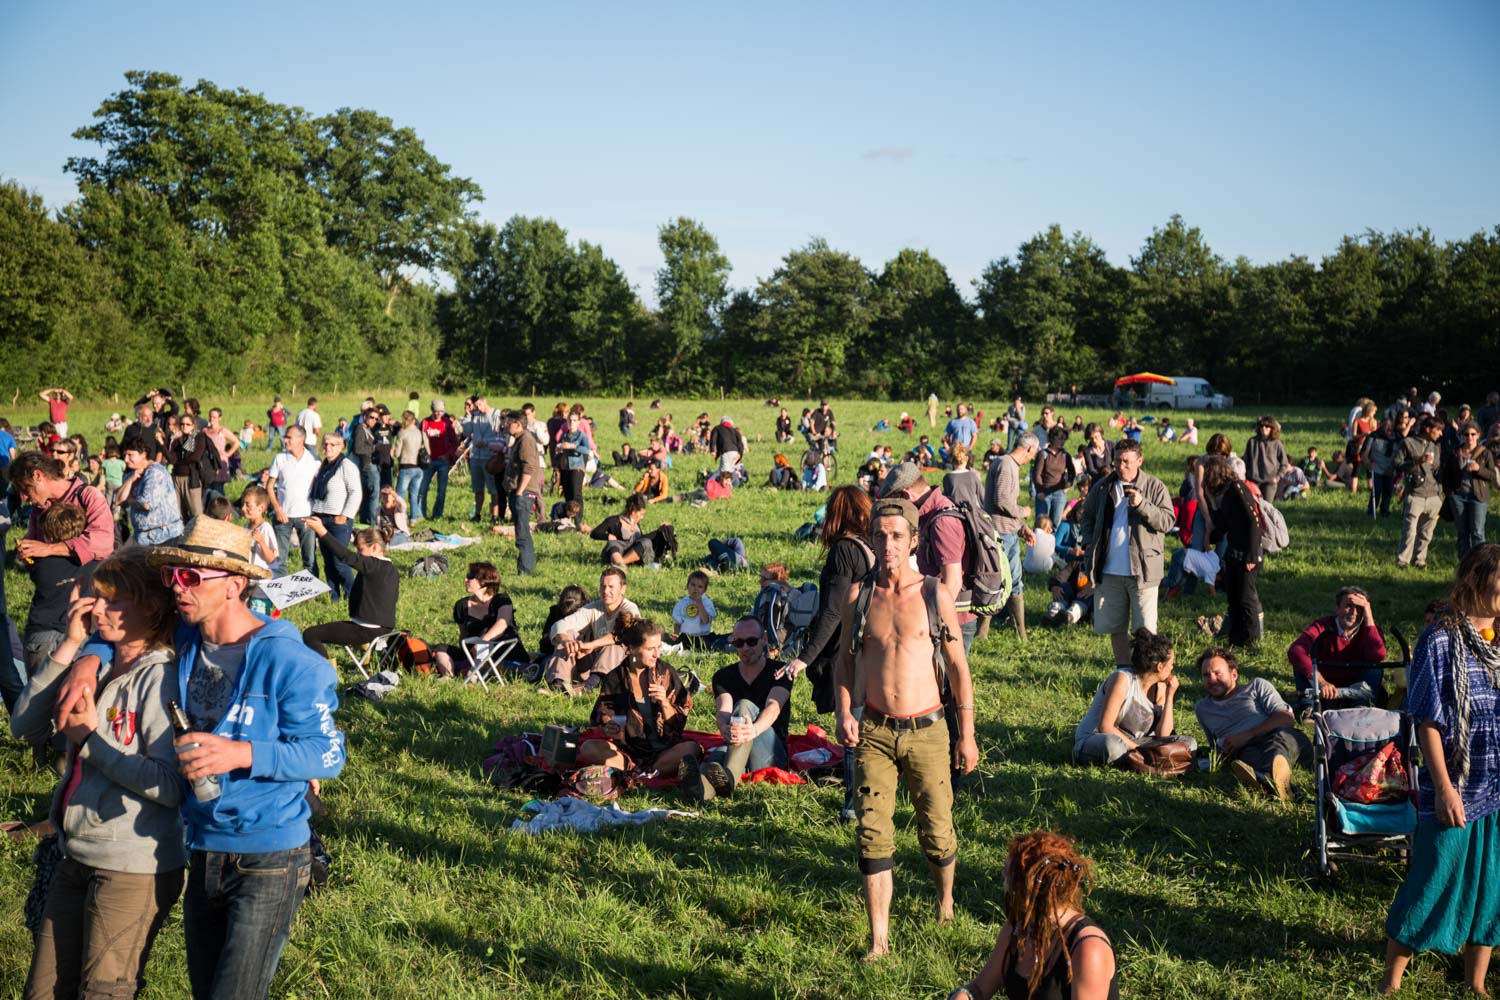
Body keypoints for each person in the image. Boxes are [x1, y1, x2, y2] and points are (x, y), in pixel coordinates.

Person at [11, 547, 186, 999]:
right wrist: (70, 647)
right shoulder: (100, 664)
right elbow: (24, 726)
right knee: (43, 989)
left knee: (104, 990)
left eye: (110, 600)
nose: (95, 610)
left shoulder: (162, 680)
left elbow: (169, 786)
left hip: (132, 864)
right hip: (76, 853)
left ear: (149, 606)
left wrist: (90, 741)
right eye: (94, 598)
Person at [836, 496, 978, 962]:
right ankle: (879, 940)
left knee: (936, 831)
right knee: (872, 833)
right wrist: (843, 710)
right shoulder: (858, 596)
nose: (888, 544)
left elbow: (958, 667)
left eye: (897, 535)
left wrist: (968, 733)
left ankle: (946, 900)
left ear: (914, 539)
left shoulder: (934, 594)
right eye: (880, 535)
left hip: (929, 729)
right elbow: (844, 660)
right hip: (874, 729)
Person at [1381, 543, 1500, 998]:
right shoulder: (1440, 639)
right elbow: (1426, 721)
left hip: (1497, 783)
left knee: (1491, 884)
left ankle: (1476, 982)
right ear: (1478, 580)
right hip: (1456, 786)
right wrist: (1445, 789)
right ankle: (1390, 983)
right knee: (1433, 878)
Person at [947, 831, 1119, 1000]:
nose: (1003, 881)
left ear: (1029, 891)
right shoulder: (1017, 929)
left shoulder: (1088, 949)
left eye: (1008, 876)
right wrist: (965, 995)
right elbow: (979, 988)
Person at [1079, 440, 1174, 668]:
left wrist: (1142, 505)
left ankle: (1148, 677)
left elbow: (1168, 521)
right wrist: (1091, 543)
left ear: (1139, 461)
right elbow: (1087, 516)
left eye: (1126, 461)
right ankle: (1124, 672)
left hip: (1143, 571)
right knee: (1115, 627)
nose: (1121, 466)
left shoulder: (1154, 486)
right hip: (1109, 570)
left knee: (1145, 633)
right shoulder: (1103, 487)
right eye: (1117, 461)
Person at [685, 616, 793, 801]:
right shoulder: (724, 675)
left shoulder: (780, 671)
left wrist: (754, 730)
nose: (745, 648)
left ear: (764, 639)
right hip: (737, 745)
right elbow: (724, 710)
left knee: (744, 706)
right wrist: (724, 728)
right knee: (715, 763)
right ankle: (701, 792)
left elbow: (774, 706)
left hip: (770, 752)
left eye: (751, 641)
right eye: (739, 643)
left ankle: (728, 777)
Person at [578, 617, 700, 776]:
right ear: (632, 649)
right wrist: (609, 728)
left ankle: (644, 772)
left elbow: (678, 723)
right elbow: (603, 716)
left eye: (658, 647)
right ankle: (645, 772)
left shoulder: (665, 673)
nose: (657, 654)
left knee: (692, 749)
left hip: (665, 749)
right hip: (628, 752)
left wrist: (664, 702)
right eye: (650, 649)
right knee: (588, 747)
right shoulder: (615, 678)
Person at [1195, 646, 1310, 801]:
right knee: (1245, 758)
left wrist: (1246, 735)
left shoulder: (1256, 687)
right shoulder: (1203, 708)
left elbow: (1286, 719)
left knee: (1278, 741)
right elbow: (1214, 746)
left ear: (1234, 674)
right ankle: (1280, 787)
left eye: (1217, 673)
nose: (1212, 680)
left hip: (1283, 738)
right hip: (1246, 750)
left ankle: (1266, 781)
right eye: (1206, 675)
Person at [1072, 629, 1194, 766]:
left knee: (1189, 744)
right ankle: (1148, 762)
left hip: (1137, 743)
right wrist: (1140, 751)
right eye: (1171, 663)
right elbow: (1105, 727)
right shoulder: (1122, 680)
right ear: (1160, 666)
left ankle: (1140, 762)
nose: (1172, 667)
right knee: (1113, 747)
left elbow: (1163, 734)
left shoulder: (1161, 687)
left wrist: (1170, 696)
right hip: (1099, 739)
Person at [1287, 586, 1387, 718]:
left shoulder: (1370, 629)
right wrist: (1321, 682)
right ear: (1337, 608)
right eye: (1348, 606)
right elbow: (1296, 650)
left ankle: (1361, 707)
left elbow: (1378, 655)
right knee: (1301, 663)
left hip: (1356, 684)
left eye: (1359, 608)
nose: (1354, 612)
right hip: (1324, 684)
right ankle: (1309, 708)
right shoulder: (1322, 626)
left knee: (1375, 668)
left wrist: (1368, 616)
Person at [543, 567, 641, 695]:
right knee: (569, 634)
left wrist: (590, 645)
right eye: (603, 586)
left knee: (615, 644)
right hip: (592, 660)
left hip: (621, 666)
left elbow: (622, 634)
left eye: (611, 587)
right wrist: (566, 640)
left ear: (623, 589)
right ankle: (559, 683)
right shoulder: (594, 608)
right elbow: (559, 625)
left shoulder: (629, 608)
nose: (606, 591)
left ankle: (590, 686)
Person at [1201, 455, 1264, 646]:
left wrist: (1252, 554)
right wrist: (1211, 502)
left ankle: (1252, 639)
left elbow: (1253, 521)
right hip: (1234, 551)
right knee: (1233, 597)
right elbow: (1221, 527)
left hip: (1248, 552)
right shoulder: (1224, 494)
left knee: (1246, 597)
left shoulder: (1237, 488)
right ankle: (1236, 637)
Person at [984, 433, 1038, 641]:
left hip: (1008, 529)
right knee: (1011, 581)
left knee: (999, 580)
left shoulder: (1006, 464)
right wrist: (1022, 512)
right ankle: (1021, 634)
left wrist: (1022, 526)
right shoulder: (1007, 465)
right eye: (1033, 453)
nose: (1032, 458)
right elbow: (1002, 501)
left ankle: (986, 631)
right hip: (1002, 533)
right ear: (1030, 449)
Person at [261, 425, 321, 578]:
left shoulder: (314, 461)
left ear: (301, 439)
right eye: (285, 437)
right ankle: (279, 591)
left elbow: (320, 488)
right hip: (283, 516)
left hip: (306, 516)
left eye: (289, 437)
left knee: (310, 558)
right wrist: (278, 509)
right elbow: (269, 487)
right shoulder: (280, 458)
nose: (284, 440)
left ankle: (311, 591)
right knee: (279, 558)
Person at [309, 432, 362, 603]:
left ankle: (353, 594)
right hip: (321, 518)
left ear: (341, 447)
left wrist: (345, 515)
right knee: (328, 561)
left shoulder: (346, 466)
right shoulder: (323, 466)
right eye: (326, 444)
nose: (328, 447)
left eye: (333, 444)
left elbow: (356, 492)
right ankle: (334, 597)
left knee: (340, 560)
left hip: (338, 520)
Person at [1395, 415, 1446, 570]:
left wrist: (1441, 495)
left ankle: (1420, 561)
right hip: (1415, 493)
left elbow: (1437, 470)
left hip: (1434, 495)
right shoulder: (1408, 443)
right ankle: (1402, 561)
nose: (1441, 434)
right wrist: (1417, 461)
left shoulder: (1436, 447)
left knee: (1426, 533)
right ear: (1428, 429)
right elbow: (1397, 464)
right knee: (1409, 531)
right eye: (1438, 430)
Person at [1443, 420, 1498, 561]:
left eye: (1473, 434)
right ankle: (1465, 564)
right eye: (1466, 434)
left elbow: (1492, 475)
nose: (1470, 437)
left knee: (1477, 532)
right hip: (1458, 496)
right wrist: (1449, 492)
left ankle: (1480, 563)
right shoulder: (1455, 452)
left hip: (1478, 497)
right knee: (1462, 533)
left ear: (1478, 435)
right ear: (1461, 435)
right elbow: (1446, 474)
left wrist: (1478, 469)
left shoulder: (1485, 453)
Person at [117, 439, 184, 547]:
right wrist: (130, 480)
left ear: (143, 454)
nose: (125, 459)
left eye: (130, 455)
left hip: (165, 536)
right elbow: (118, 501)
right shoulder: (131, 475)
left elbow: (147, 504)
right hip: (142, 539)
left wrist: (129, 498)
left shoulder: (155, 472)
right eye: (125, 455)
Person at [592, 493, 661, 569]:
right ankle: (619, 563)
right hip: (618, 551)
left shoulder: (636, 524)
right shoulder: (613, 521)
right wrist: (608, 536)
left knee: (646, 542)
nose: (642, 517)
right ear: (633, 510)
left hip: (633, 554)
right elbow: (594, 533)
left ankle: (621, 564)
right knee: (612, 544)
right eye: (641, 514)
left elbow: (641, 540)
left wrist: (660, 530)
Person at [463, 395, 503, 524]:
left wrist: (485, 442)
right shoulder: (475, 416)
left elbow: (499, 435)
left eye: (480, 404)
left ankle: (495, 515)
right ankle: (477, 514)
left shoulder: (496, 414)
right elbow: (467, 432)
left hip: (490, 456)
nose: (478, 408)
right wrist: (468, 415)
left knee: (492, 488)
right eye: (476, 405)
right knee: (477, 488)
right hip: (476, 456)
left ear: (485, 402)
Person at [418, 400, 460, 521]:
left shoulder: (446, 423)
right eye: (436, 411)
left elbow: (454, 442)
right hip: (428, 461)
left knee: (441, 490)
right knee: (423, 488)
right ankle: (421, 514)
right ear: (432, 410)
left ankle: (437, 515)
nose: (438, 414)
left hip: (443, 461)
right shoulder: (425, 423)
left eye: (441, 411)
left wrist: (448, 455)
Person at [1032, 425, 1076, 529]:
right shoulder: (1043, 454)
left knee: (1056, 523)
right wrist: (1039, 491)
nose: (1062, 442)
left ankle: (1053, 543)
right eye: (1060, 439)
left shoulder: (1065, 455)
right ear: (1053, 439)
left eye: (1063, 440)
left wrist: (1068, 485)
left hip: (1059, 493)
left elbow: (1072, 472)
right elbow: (1037, 474)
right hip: (1044, 493)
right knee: (1041, 524)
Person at [168, 413, 210, 521]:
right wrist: (161, 443)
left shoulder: (198, 437)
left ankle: (199, 536)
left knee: (196, 514)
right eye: (182, 424)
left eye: (188, 424)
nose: (184, 426)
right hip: (176, 477)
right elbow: (171, 459)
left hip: (191, 478)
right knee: (177, 514)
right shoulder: (177, 440)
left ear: (193, 425)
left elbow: (195, 457)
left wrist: (178, 462)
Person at [671, 570, 719, 652]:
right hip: (686, 635)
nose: (695, 589)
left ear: (704, 590)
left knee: (707, 647)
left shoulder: (707, 603)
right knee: (676, 645)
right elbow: (678, 622)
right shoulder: (682, 603)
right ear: (687, 586)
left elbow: (705, 621)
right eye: (693, 585)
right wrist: (676, 633)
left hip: (702, 635)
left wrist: (699, 604)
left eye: (700, 586)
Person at [239, 485, 281, 576]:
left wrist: (261, 542)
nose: (243, 508)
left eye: (248, 505)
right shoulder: (245, 528)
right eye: (243, 504)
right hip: (246, 578)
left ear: (261, 508)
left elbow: (272, 560)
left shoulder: (265, 528)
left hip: (261, 580)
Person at [1243, 416, 1288, 499]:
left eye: (1267, 426)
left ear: (1272, 428)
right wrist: (1246, 477)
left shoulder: (1277, 443)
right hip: (1253, 481)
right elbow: (1246, 461)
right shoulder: (1252, 442)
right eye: (1261, 426)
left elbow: (1284, 464)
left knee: (1267, 508)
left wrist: (1277, 477)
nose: (1264, 428)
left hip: (1269, 482)